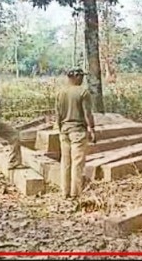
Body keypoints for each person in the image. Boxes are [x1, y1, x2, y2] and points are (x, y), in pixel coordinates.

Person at [55, 68, 96, 199]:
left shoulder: (60, 92)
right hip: (78, 131)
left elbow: (57, 114)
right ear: (76, 76)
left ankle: (64, 192)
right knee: (77, 163)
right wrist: (92, 129)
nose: (83, 79)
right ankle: (75, 193)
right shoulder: (83, 92)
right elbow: (87, 113)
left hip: (64, 131)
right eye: (81, 76)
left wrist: (59, 128)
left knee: (65, 162)